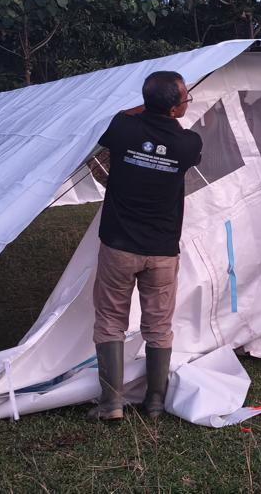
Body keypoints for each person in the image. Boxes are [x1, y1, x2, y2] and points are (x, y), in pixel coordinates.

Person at [89, 71, 202, 420]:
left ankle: (111, 404)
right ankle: (154, 402)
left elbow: (123, 117)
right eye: (185, 99)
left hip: (119, 247)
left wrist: (152, 106)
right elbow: (180, 138)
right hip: (162, 252)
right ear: (173, 110)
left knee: (110, 320)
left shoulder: (122, 129)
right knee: (158, 326)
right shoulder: (187, 145)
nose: (188, 103)